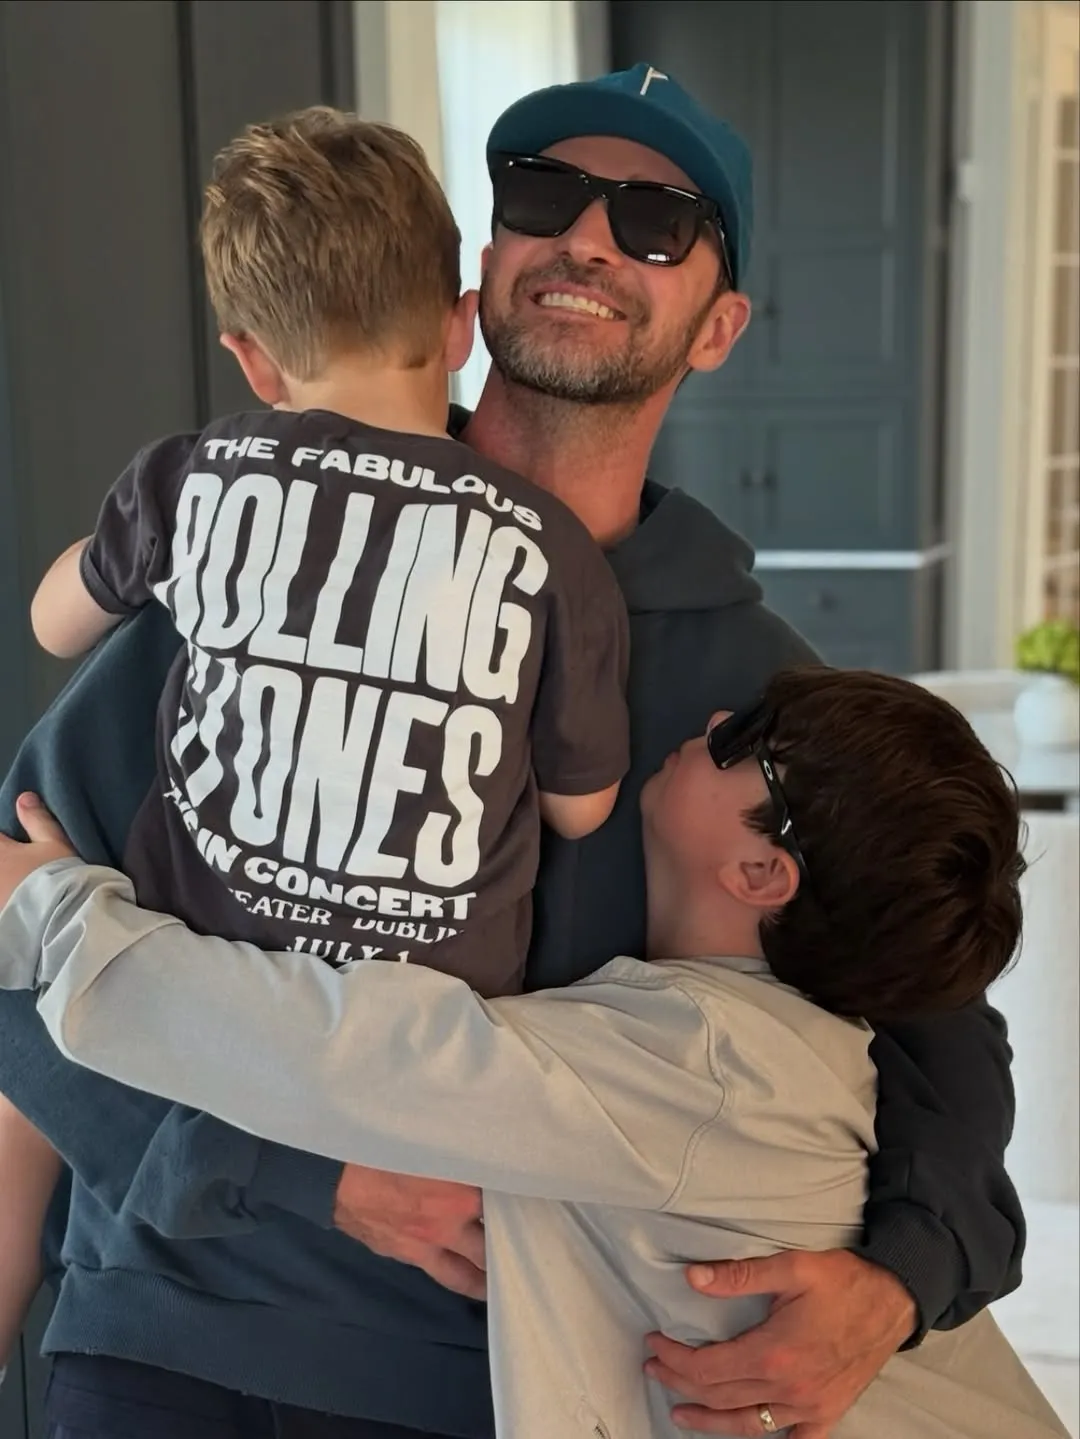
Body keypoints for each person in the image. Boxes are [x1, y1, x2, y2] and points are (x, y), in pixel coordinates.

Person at [0, 64, 1022, 1439]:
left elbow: (943, 1031)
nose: (589, 238)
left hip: (501, 1386)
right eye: (546, 194)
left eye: (656, 221)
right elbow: (18, 921)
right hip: (165, 1335)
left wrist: (899, 1284)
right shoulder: (263, 531)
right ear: (480, 275)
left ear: (719, 325)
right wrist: (296, 1173)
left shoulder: (761, 713)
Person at [0, 669, 1065, 1439]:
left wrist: (55, 913)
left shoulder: (707, 1065)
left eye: (747, 735)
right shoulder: (772, 1047)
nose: (711, 715)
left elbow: (353, 1050)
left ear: (761, 873)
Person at [0, 104, 632, 1382]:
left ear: (250, 357)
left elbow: (54, 621)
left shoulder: (189, 478)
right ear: (461, 324)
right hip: (421, 1052)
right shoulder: (550, 547)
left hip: (203, 1008)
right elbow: (583, 808)